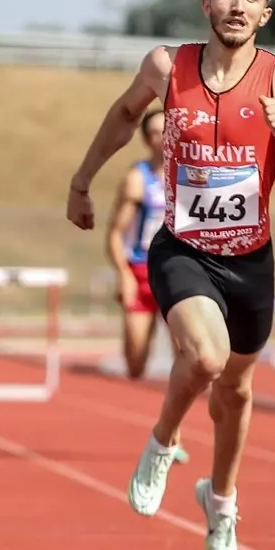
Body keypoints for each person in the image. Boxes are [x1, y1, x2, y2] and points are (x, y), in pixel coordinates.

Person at [66, 0, 275, 550]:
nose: (237, 6)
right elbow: (124, 116)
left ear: (265, 12)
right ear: (206, 4)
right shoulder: (166, 65)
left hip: (250, 260)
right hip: (182, 249)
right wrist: (81, 182)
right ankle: (161, 442)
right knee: (205, 359)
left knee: (236, 391)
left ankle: (221, 501)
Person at [104, 109, 189, 464]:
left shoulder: (190, 176)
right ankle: (168, 435)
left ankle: (171, 436)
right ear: (146, 139)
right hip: (140, 272)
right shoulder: (136, 180)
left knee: (187, 356)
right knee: (136, 364)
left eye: (165, 130)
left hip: (179, 273)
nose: (160, 137)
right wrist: (123, 274)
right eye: (153, 132)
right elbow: (114, 234)